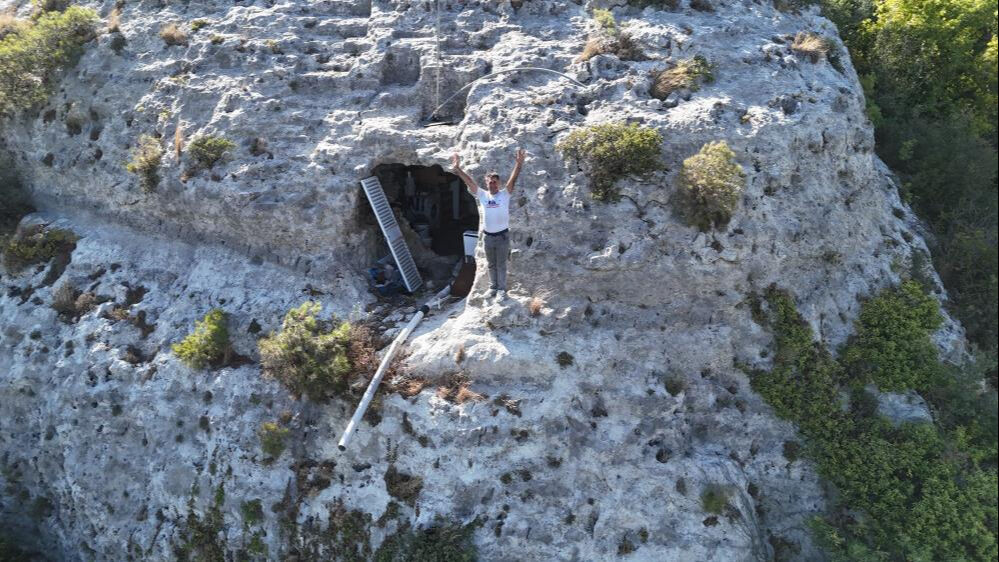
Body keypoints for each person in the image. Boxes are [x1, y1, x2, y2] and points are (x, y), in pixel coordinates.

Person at [450, 148, 526, 301]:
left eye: (495, 182)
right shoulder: (483, 195)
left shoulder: (505, 194)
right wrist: (458, 169)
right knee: (491, 264)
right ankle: (493, 288)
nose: (492, 185)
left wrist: (519, 164)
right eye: (490, 182)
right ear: (486, 183)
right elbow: (469, 181)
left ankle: (502, 290)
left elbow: (513, 178)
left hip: (502, 236)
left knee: (501, 265)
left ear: (499, 183)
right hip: (488, 237)